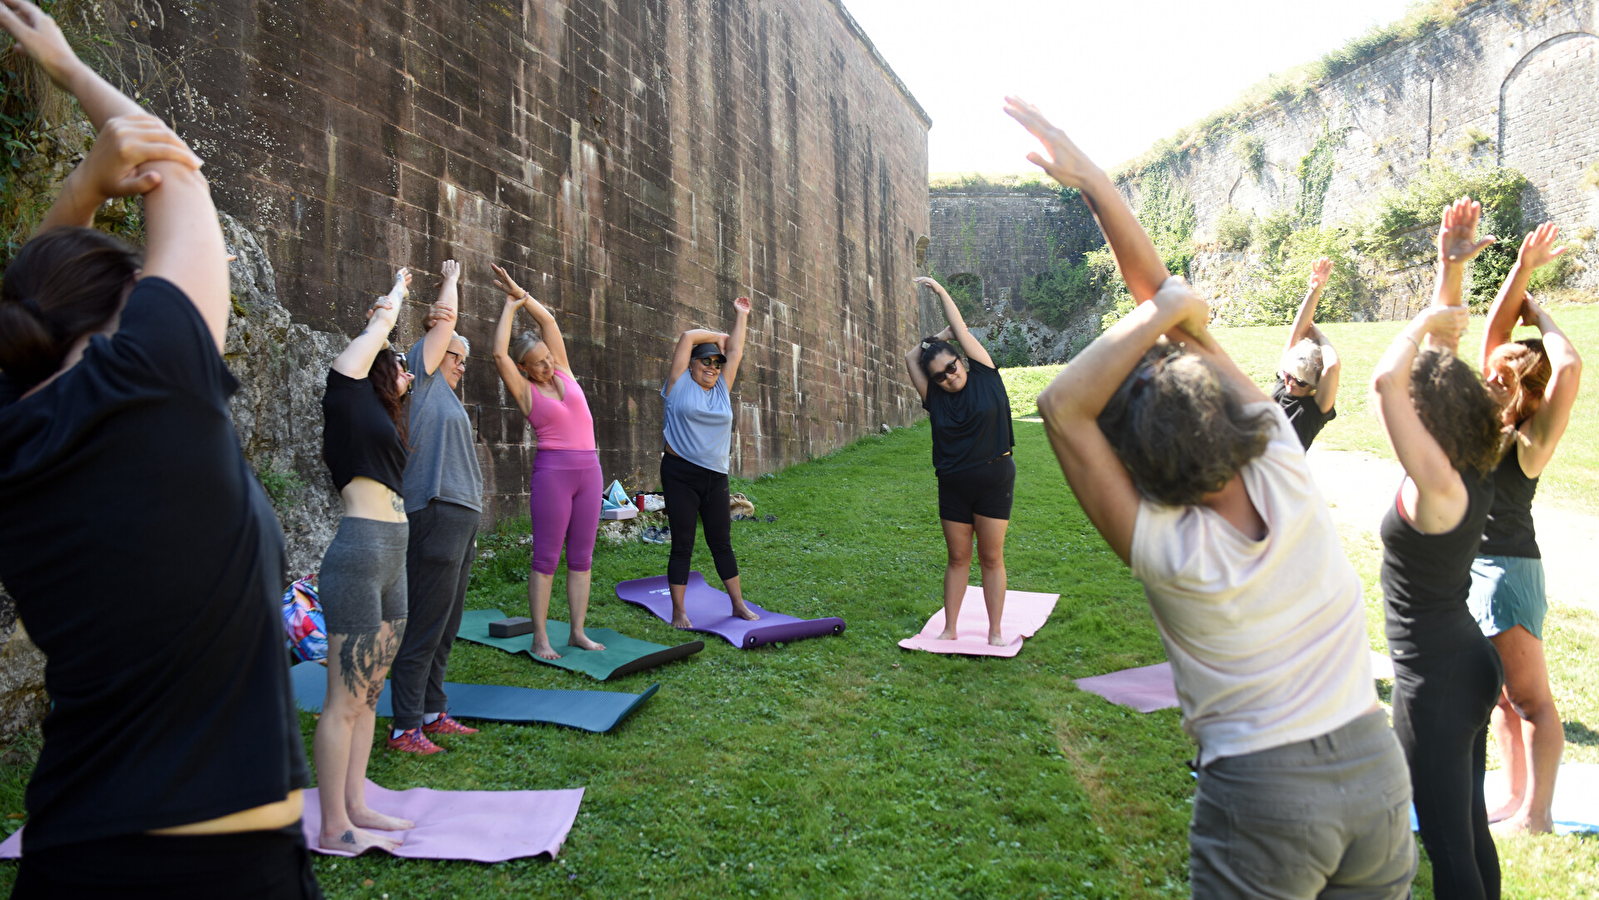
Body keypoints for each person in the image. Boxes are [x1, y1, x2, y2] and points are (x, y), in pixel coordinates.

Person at [1010, 95, 1414, 898]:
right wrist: (1098, 187)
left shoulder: (1167, 549)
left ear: (1136, 468)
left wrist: (1157, 306)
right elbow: (1169, 304)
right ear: (1220, 411)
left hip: (1266, 796)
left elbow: (1060, 406)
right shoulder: (1279, 458)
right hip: (1376, 772)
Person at [0, 1, 319, 895]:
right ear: (125, 312)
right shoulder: (153, 379)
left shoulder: (14, 440)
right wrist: (71, 71)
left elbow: (20, 322)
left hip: (75, 853)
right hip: (217, 870)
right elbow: (171, 163)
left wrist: (80, 189)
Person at [1372, 196, 1506, 899]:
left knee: (1447, 849)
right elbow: (1435, 363)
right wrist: (1446, 270)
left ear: (1429, 419)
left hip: (1436, 682)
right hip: (1467, 660)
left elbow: (1385, 382)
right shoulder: (1468, 463)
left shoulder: (1435, 484)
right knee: (1469, 831)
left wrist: (1424, 319)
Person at [1471, 221, 1583, 834]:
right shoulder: (1488, 417)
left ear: (1522, 388)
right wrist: (1521, 268)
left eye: (1502, 375)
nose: (1490, 375)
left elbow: (1570, 364)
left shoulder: (1529, 442)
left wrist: (1538, 309)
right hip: (1479, 568)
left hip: (1508, 569)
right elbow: (1493, 331)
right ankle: (1513, 800)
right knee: (1503, 700)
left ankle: (1537, 816)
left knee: (1532, 698)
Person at [313, 268, 417, 849]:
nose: (405, 373)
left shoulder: (381, 416)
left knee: (370, 691)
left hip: (394, 552)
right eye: (397, 364)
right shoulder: (345, 387)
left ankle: (356, 804)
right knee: (343, 695)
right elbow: (378, 331)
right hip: (359, 551)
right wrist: (395, 298)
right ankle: (333, 825)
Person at [387, 259, 483, 755]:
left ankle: (431, 711)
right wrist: (450, 280)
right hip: (435, 511)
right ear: (432, 352)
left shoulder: (445, 397)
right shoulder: (418, 383)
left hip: (461, 517)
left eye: (464, 359)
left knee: (447, 623)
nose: (461, 364)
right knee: (425, 622)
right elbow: (444, 320)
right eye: (455, 355)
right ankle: (405, 726)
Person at [490, 264, 607, 660]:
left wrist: (521, 293)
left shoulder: (565, 371)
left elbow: (549, 320)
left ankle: (577, 631)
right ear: (524, 368)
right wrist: (508, 308)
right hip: (554, 474)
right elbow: (497, 353)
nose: (547, 365)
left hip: (590, 471)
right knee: (546, 557)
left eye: (547, 357)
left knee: (582, 557)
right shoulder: (525, 390)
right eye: (538, 362)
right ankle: (540, 638)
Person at [903, 276, 1015, 646]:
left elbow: (962, 328)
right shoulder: (935, 397)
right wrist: (935, 341)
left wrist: (940, 293)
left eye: (952, 367)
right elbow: (908, 357)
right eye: (940, 376)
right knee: (958, 557)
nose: (950, 377)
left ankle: (995, 631)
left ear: (961, 360)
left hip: (994, 477)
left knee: (991, 558)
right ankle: (950, 628)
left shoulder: (985, 372)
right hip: (953, 483)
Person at [659, 297, 760, 628]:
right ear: (691, 365)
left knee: (721, 542)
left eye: (717, 364)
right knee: (683, 543)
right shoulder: (678, 385)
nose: (713, 368)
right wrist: (717, 335)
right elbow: (688, 337)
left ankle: (738, 604)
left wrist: (741, 316)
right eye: (706, 362)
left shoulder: (721, 389)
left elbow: (737, 352)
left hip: (715, 478)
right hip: (680, 476)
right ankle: (678, 611)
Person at [1274, 256, 1341, 449]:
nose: (1290, 383)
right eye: (1288, 375)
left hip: (1284, 477)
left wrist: (1321, 337)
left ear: (1314, 385)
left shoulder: (1315, 410)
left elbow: (1332, 366)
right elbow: (1296, 333)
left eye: (1300, 381)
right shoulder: (1284, 384)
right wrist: (1314, 290)